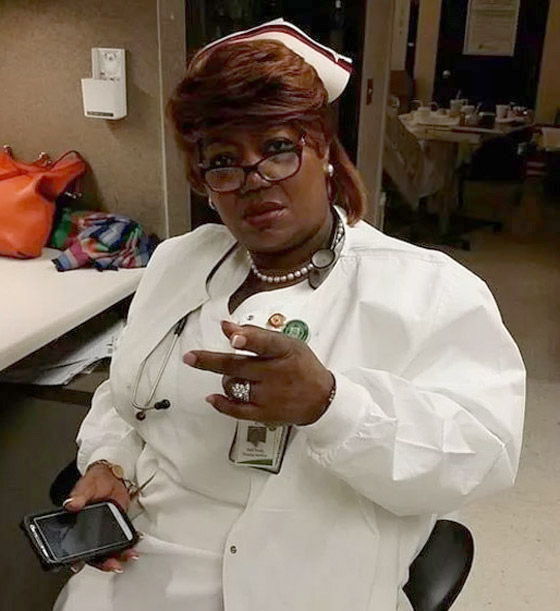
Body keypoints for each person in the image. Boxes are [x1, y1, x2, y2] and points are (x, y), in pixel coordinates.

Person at [54, 19, 525, 611]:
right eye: (224, 160)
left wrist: (331, 405)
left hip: (310, 582)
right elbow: (128, 396)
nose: (253, 180)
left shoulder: (428, 289)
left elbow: (482, 459)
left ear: (322, 147)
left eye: (277, 148)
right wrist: (109, 464)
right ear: (205, 182)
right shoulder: (177, 263)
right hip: (137, 567)